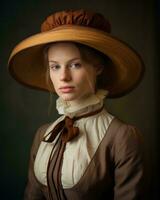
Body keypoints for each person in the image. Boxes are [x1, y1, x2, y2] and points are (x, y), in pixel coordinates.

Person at [8, 9, 145, 200]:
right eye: (55, 66)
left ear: (98, 67)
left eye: (75, 64)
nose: (63, 77)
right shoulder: (43, 135)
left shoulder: (122, 136)